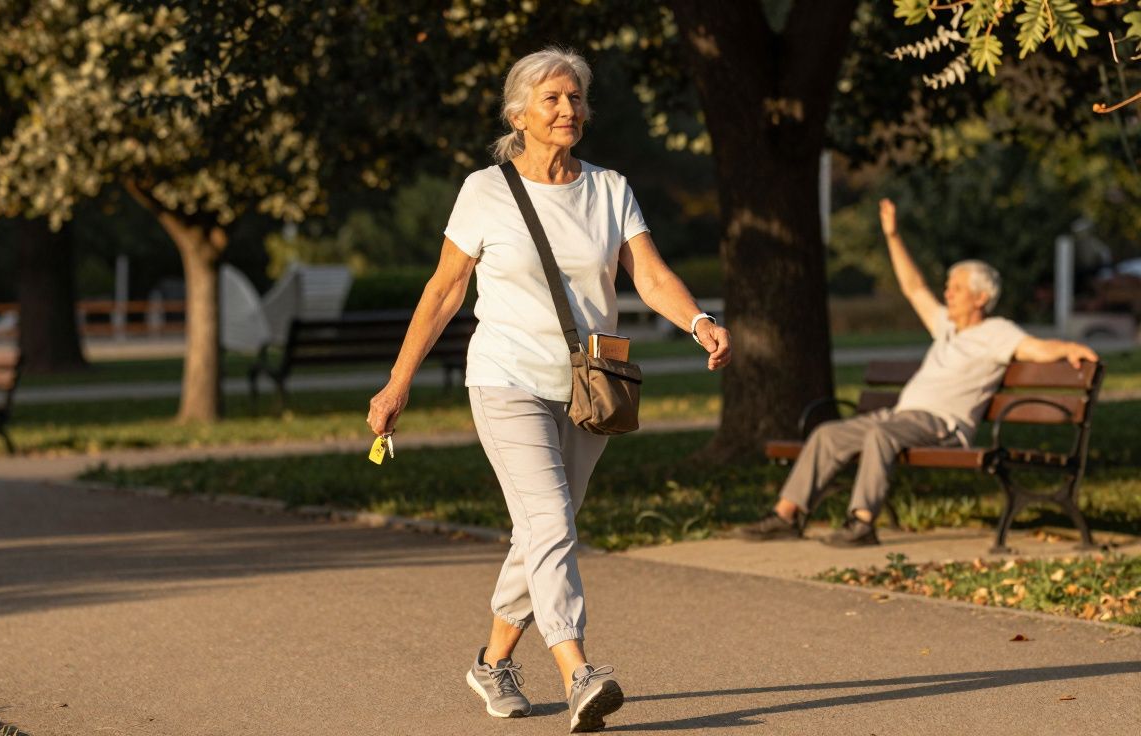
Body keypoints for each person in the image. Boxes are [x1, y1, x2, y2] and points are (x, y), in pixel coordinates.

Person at [365, 47, 731, 733]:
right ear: (518, 114)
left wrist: (699, 321)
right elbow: (445, 290)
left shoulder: (609, 189)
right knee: (552, 522)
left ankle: (492, 663)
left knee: (542, 531)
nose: (568, 110)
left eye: (576, 98)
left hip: (590, 387)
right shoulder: (485, 191)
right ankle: (579, 672)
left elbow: (648, 275)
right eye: (553, 99)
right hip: (506, 377)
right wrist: (398, 382)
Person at [740, 197, 1099, 547]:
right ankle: (785, 516)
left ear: (980, 298)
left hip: (941, 424)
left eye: (956, 287)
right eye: (948, 286)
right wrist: (893, 236)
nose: (948, 292)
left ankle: (862, 522)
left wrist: (1068, 348)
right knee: (827, 436)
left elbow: (1034, 348)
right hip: (903, 418)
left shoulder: (997, 332)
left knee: (880, 434)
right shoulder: (945, 326)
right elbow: (914, 287)